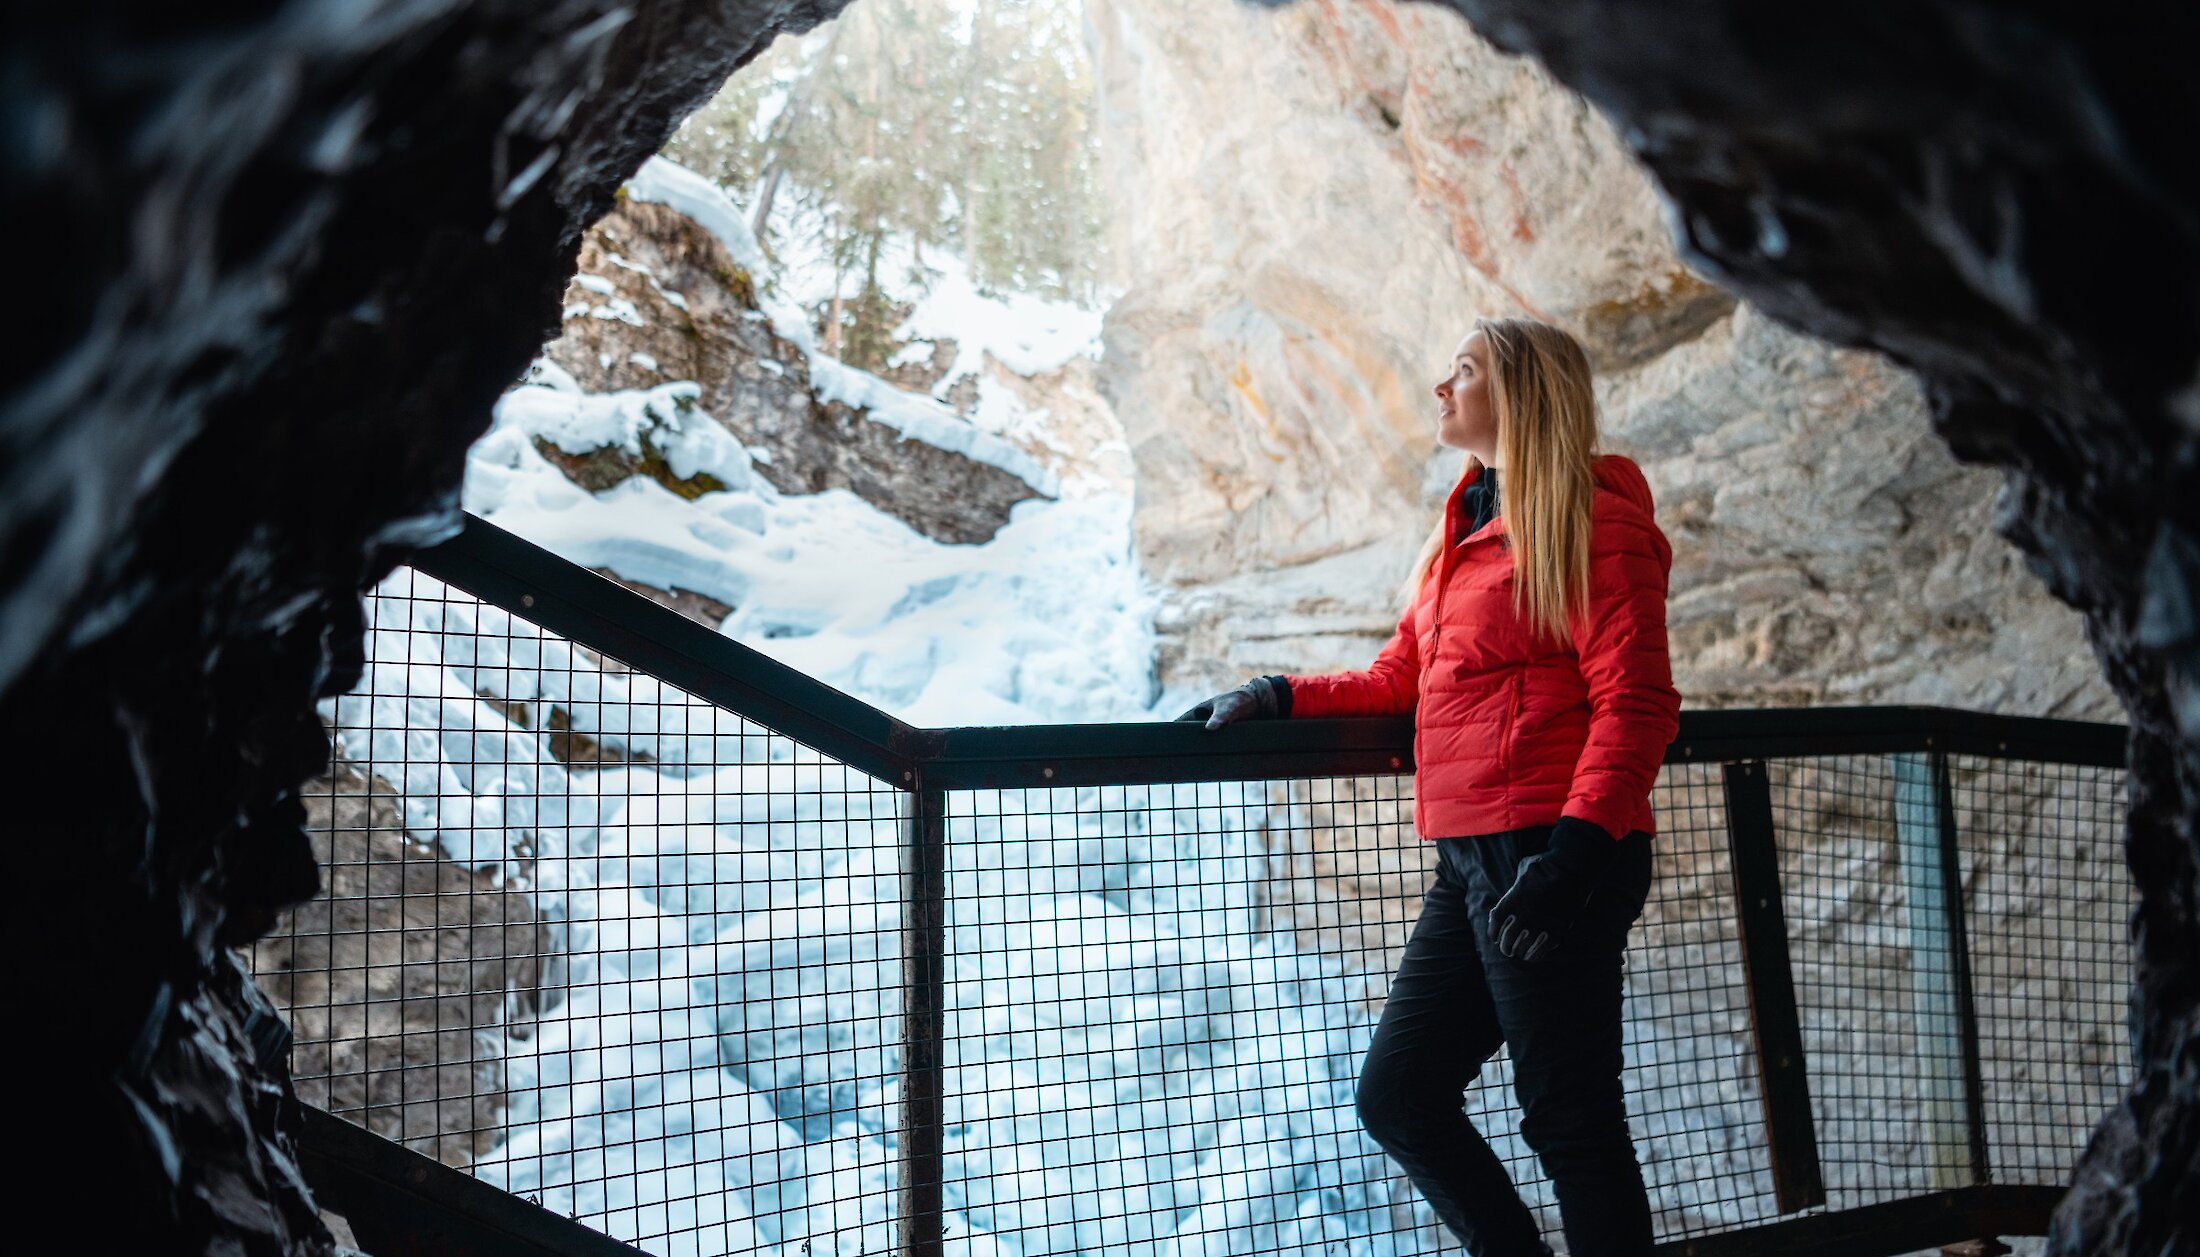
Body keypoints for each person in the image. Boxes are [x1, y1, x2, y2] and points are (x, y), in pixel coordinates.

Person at [1179, 316, 1681, 1256]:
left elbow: (1638, 702)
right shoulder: (1464, 531)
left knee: (1569, 1120)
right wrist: (1277, 694)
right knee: (1399, 1093)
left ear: (1523, 394)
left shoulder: (1593, 520)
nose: (1441, 388)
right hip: (1475, 854)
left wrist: (1573, 854)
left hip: (1554, 847)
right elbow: (1397, 679)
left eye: (1464, 370)